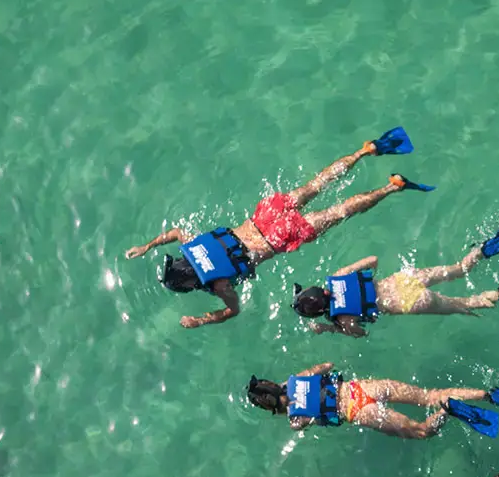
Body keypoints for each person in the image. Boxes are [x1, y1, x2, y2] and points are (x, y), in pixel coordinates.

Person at [123, 127, 431, 328]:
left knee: (338, 211)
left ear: (191, 283)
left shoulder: (219, 284)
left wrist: (201, 320)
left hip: (276, 238)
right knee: (317, 184)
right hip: (266, 214)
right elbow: (176, 232)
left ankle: (392, 187)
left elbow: (233, 310)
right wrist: (147, 246)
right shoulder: (192, 245)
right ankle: (366, 151)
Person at [293, 212, 499, 336]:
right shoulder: (338, 276)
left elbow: (362, 333)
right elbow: (372, 260)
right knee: (460, 268)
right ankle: (493, 245)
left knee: (467, 305)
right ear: (320, 289)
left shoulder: (343, 318)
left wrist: (328, 328)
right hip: (405, 279)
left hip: (408, 302)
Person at [246, 364, 499, 440]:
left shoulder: (294, 420)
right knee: (430, 395)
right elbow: (327, 366)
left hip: (358, 411)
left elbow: (305, 422)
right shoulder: (297, 378)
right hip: (363, 388)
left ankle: (448, 411)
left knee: (422, 431)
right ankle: (493, 395)